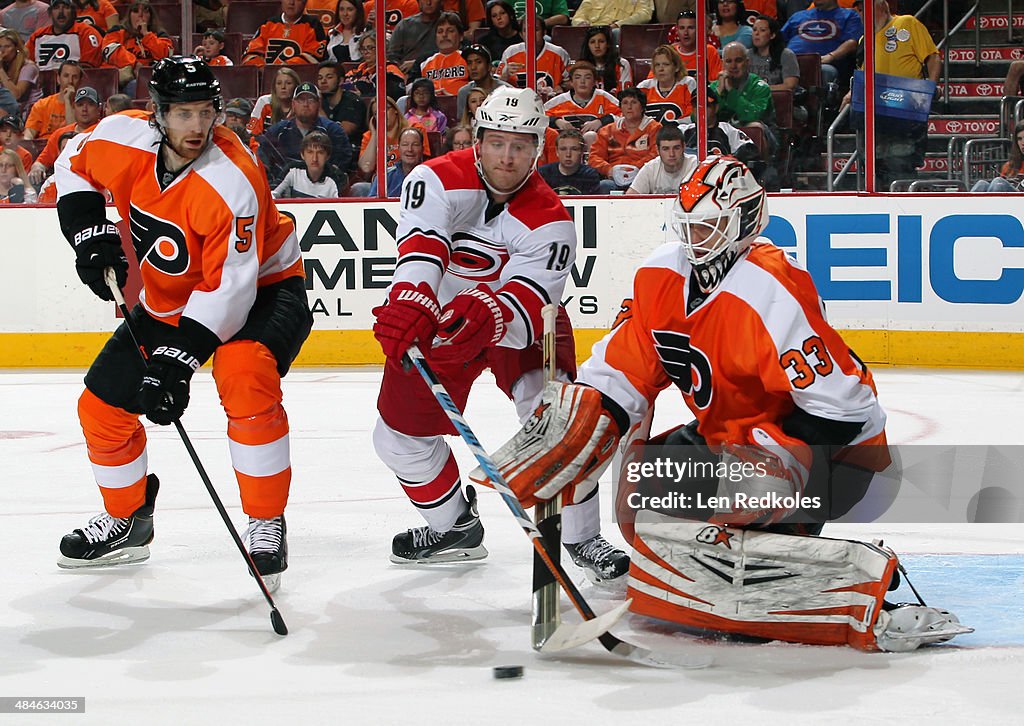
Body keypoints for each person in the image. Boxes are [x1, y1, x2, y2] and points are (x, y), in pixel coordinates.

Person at [483, 154, 970, 653]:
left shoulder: (773, 287)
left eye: (712, 226)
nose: (698, 239)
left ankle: (853, 594)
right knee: (641, 491)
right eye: (691, 227)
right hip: (734, 438)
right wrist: (581, 423)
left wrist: (767, 466)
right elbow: (625, 369)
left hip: (841, 457)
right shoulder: (660, 274)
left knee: (749, 488)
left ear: (745, 219)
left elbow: (844, 409)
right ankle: (727, 565)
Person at [53, 56, 312, 591]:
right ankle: (128, 520)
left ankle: (265, 521)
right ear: (157, 113)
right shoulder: (122, 137)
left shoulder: (232, 178)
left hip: (263, 292)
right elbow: (70, 163)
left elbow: (231, 289)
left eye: (205, 113)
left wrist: (177, 360)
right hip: (171, 297)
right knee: (100, 405)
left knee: (243, 375)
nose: (196, 128)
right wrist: (88, 233)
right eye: (182, 114)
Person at [371, 86, 629, 580]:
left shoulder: (551, 217)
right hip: (441, 320)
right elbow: (421, 245)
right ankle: (453, 527)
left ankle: (581, 537)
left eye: (520, 145)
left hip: (521, 326)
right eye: (496, 143)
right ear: (478, 139)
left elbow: (533, 299)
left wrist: (491, 310)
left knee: (560, 418)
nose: (507, 157)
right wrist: (411, 299)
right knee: (396, 438)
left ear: (537, 149)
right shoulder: (435, 178)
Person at [261, 81, 353, 186]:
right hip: (283, 190)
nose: (306, 104)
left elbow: (341, 169)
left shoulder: (334, 131)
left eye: (311, 100)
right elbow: (263, 163)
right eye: (301, 100)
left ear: (319, 103)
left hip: (322, 191)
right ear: (293, 104)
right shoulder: (276, 131)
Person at [589, 86, 660, 193]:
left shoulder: (654, 128)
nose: (629, 107)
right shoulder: (607, 130)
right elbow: (594, 157)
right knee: (604, 185)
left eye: (634, 102)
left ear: (642, 107)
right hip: (613, 179)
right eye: (625, 103)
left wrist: (637, 168)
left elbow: (657, 154)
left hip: (643, 177)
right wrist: (610, 170)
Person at [29, 84, 102, 186]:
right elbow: (41, 162)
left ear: (99, 108)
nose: (84, 109)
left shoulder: (104, 130)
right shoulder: (60, 134)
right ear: (74, 107)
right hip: (65, 183)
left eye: (90, 104)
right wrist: (37, 168)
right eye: (80, 105)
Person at [713, 41, 777, 154]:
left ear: (747, 62)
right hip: (722, 137)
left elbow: (753, 115)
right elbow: (697, 117)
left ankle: (760, 168)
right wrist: (718, 93)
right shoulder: (715, 86)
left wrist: (731, 92)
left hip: (761, 136)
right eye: (728, 61)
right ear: (723, 64)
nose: (733, 66)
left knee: (754, 126)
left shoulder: (760, 87)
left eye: (738, 60)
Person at [782, 0, 862, 88]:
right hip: (790, 62)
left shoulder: (849, 15)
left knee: (827, 71)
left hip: (823, 63)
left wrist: (831, 56)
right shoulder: (798, 16)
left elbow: (852, 42)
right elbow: (778, 39)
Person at [102, 1, 175, 89]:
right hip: (124, 80)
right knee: (134, 85)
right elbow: (109, 51)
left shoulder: (159, 35)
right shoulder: (118, 31)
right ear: (129, 15)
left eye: (145, 11)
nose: (140, 15)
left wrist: (146, 35)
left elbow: (165, 54)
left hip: (151, 79)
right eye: (136, 11)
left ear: (150, 16)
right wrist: (134, 63)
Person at [497, 13, 569, 100]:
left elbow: (570, 82)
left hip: (550, 104)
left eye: (536, 29)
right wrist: (505, 75)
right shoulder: (510, 52)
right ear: (521, 34)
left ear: (544, 32)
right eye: (525, 30)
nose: (530, 34)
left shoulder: (559, 53)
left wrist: (562, 87)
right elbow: (496, 85)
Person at [544, 60, 619, 139]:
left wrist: (601, 121)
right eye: (578, 77)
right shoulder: (557, 102)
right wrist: (556, 121)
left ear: (594, 82)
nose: (582, 81)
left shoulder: (604, 98)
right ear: (571, 82)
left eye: (587, 77)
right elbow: (537, 117)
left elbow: (625, 116)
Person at [241, 0, 328, 66]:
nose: (291, 2)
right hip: (266, 79)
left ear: (305, 3)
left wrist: (284, 69)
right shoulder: (268, 24)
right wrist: (264, 69)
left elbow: (313, 57)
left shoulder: (313, 25)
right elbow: (251, 54)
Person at [26, 0, 106, 71]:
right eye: (56, 8)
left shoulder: (86, 32)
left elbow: (89, 70)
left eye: (66, 7)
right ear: (50, 13)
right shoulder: (37, 36)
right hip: (38, 84)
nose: (61, 12)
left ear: (73, 12)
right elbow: (24, 63)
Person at [625, 122, 695, 194]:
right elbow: (630, 197)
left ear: (684, 147)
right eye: (666, 149)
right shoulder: (650, 168)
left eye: (676, 148)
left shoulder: (695, 166)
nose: (671, 154)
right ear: (658, 150)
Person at [273, 129, 342, 198]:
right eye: (310, 152)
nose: (314, 158)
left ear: (327, 156)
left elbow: (340, 206)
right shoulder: (293, 171)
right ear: (302, 155)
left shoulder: (335, 179)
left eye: (320, 153)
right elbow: (273, 194)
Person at [23, 58, 80, 140]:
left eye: (75, 77)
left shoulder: (82, 106)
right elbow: (29, 133)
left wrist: (67, 101)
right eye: (66, 76)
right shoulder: (42, 105)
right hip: (44, 147)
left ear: (80, 81)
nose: (70, 81)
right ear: (58, 79)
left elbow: (72, 134)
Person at [637, 43, 694, 123]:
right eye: (657, 65)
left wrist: (675, 124)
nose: (661, 69)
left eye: (666, 64)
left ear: (676, 67)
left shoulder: (687, 83)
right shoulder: (644, 87)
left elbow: (693, 115)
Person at [416, 12, 470, 97]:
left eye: (450, 31)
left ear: (461, 36)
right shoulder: (423, 61)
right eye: (440, 31)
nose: (444, 35)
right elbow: (411, 88)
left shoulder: (470, 57)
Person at [538, 126, 602, 194]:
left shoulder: (589, 174)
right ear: (557, 152)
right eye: (563, 149)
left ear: (582, 151)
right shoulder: (543, 173)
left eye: (574, 149)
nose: (568, 154)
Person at [316, 61, 367, 146]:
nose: (323, 81)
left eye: (329, 77)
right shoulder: (321, 100)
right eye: (320, 78)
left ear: (340, 81)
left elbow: (340, 134)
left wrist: (319, 110)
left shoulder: (353, 101)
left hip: (350, 152)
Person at [366, 125, 426, 197]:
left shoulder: (431, 177)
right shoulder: (385, 176)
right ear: (399, 148)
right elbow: (372, 204)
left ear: (422, 149)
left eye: (415, 145)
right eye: (405, 145)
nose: (410, 149)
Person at [345, 31, 407, 100]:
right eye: (363, 49)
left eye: (371, 48)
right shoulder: (356, 70)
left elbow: (394, 94)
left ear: (382, 49)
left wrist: (362, 96)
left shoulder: (390, 70)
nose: (366, 52)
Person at [455, 43, 509, 121]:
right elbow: (462, 123)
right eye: (469, 63)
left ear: (489, 66)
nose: (473, 67)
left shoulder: (506, 90)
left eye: (479, 62)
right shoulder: (464, 92)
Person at [388, 0, 444, 74]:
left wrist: (417, 63)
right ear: (418, 2)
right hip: (408, 75)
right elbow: (392, 56)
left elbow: (454, 50)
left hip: (439, 71)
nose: (428, 3)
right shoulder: (404, 25)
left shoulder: (448, 23)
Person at [970, 122, 1024, 193]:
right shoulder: (1009, 166)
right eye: (1019, 139)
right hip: (1010, 200)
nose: (1023, 142)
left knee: (998, 183)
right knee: (981, 184)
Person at [248, 66, 300, 136]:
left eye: (288, 83)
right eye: (279, 83)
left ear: (296, 87)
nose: (283, 87)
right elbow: (253, 134)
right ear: (274, 87)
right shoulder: (264, 101)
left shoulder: (302, 105)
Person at [579, 26, 631, 93]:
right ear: (587, 46)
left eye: (601, 41)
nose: (597, 46)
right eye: (592, 42)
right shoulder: (581, 66)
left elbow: (626, 93)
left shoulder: (622, 64)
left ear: (608, 44)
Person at [674, 11, 722, 80]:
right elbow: (653, 82)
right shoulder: (670, 53)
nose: (686, 32)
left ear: (699, 29)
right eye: (682, 28)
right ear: (677, 30)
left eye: (690, 28)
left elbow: (716, 83)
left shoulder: (709, 51)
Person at [571, 0, 653, 29]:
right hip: (593, 32)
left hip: (621, 34)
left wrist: (618, 25)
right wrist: (581, 23)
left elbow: (645, 14)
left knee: (616, 33)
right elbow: (578, 17)